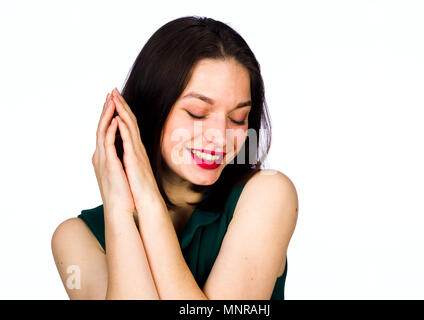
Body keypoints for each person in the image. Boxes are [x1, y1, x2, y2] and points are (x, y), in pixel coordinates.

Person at [51, 16, 298, 300]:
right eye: (196, 113)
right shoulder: (76, 238)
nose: (220, 137)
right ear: (152, 107)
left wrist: (148, 200)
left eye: (238, 117)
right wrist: (119, 211)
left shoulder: (268, 194)